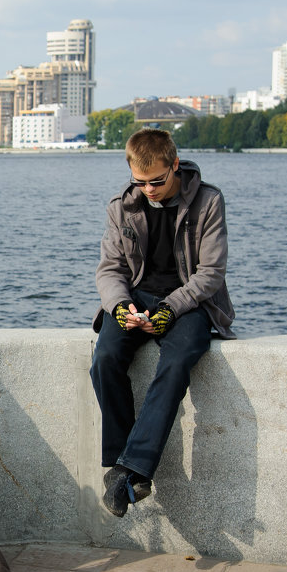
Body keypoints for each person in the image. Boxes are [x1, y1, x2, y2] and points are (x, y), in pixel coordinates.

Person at [90, 128, 235, 517]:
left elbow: (211, 273)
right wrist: (119, 306)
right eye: (140, 181)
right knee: (104, 358)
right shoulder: (122, 206)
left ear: (175, 165)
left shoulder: (208, 201)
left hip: (190, 303)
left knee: (177, 362)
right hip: (136, 300)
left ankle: (129, 469)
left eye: (157, 180)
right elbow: (109, 270)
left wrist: (170, 309)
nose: (149, 189)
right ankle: (127, 467)